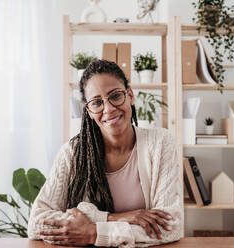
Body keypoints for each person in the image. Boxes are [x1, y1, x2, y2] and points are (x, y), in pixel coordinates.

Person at [28, 60, 183, 247]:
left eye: (116, 96)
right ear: (88, 110)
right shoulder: (72, 153)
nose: (108, 109)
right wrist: (112, 218)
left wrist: (94, 232)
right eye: (97, 102)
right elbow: (36, 223)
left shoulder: (161, 142)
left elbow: (170, 226)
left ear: (130, 95)